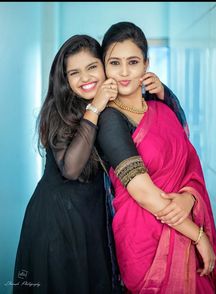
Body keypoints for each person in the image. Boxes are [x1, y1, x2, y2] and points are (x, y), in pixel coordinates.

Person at [13, 34, 186, 294]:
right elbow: (71, 169)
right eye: (75, 73)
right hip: (57, 220)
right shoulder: (60, 109)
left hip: (94, 217)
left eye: (92, 67)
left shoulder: (117, 106)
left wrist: (163, 92)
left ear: (104, 67)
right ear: (65, 79)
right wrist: (94, 107)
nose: (85, 78)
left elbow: (173, 131)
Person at [97, 22, 216, 293]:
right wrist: (199, 236)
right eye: (114, 62)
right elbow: (143, 192)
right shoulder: (109, 120)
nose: (123, 72)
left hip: (182, 223)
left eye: (132, 62)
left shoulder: (162, 109)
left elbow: (190, 163)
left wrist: (189, 197)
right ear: (104, 67)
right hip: (144, 246)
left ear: (146, 64)